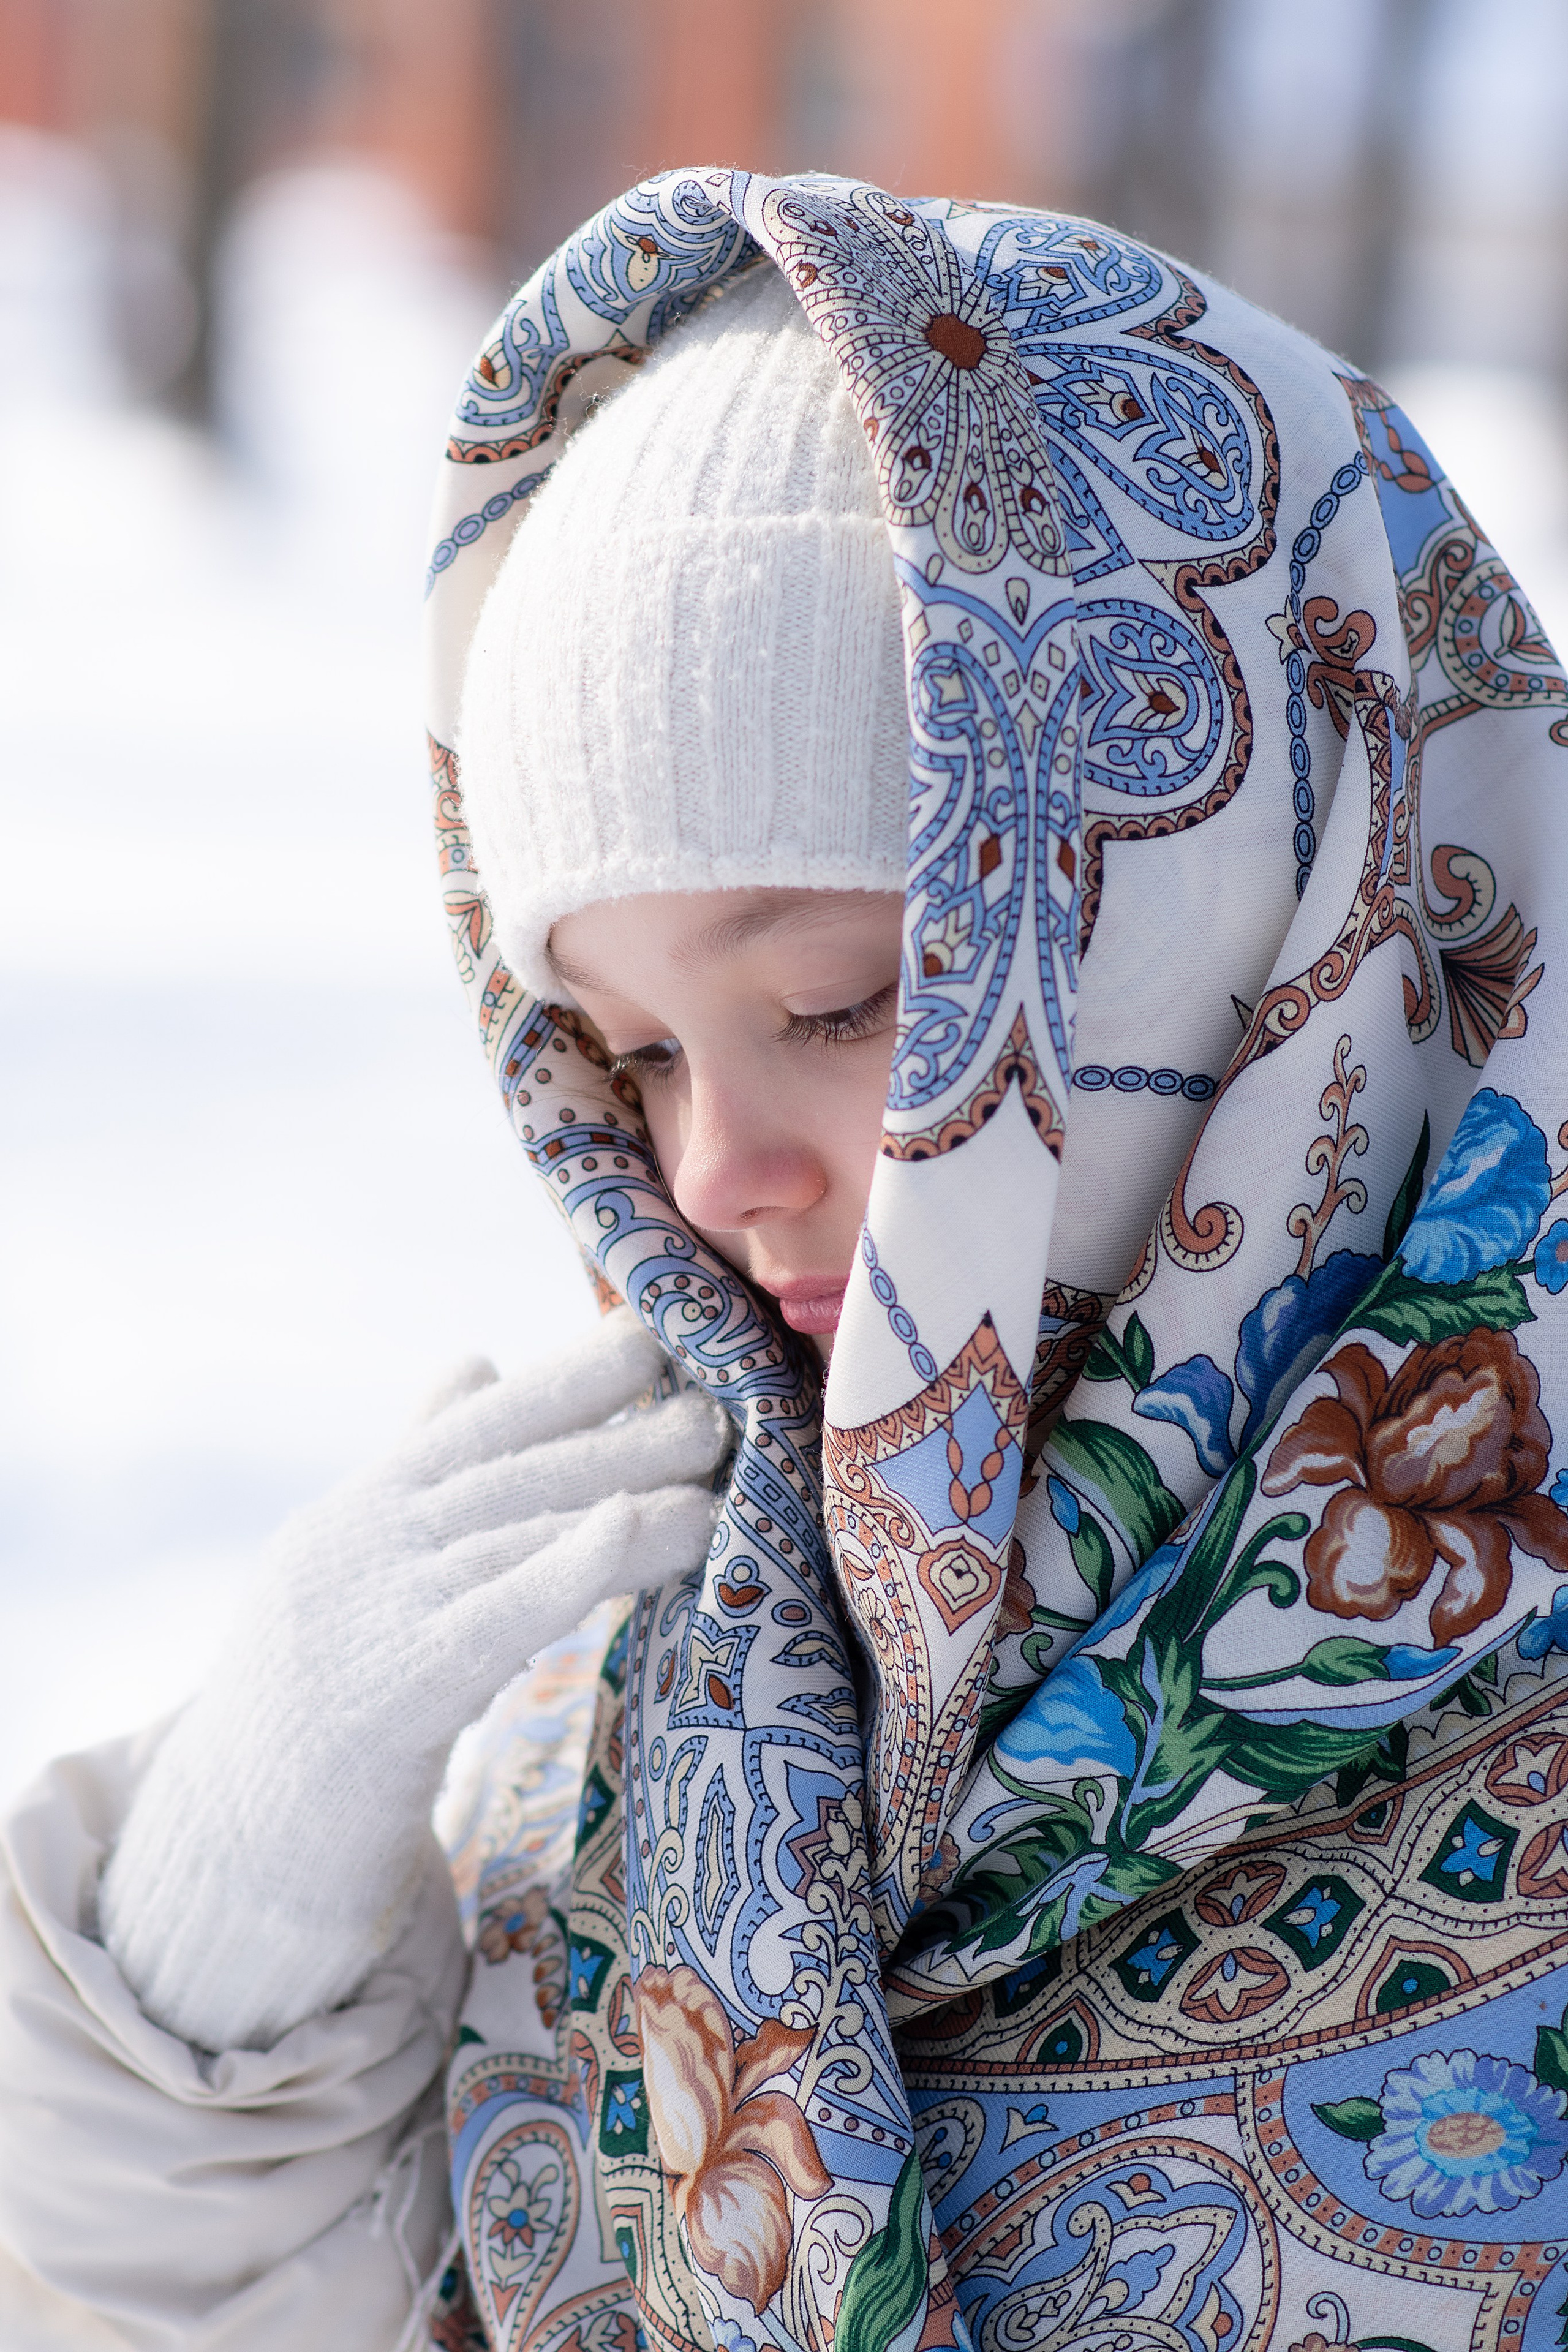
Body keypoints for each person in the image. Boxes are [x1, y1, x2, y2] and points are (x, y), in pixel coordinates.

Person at [4, 165, 1568, 2352]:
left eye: (841, 1000)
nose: (714, 1169)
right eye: (631, 1051)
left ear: (1244, 910)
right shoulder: (653, 1696)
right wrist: (210, 1958)